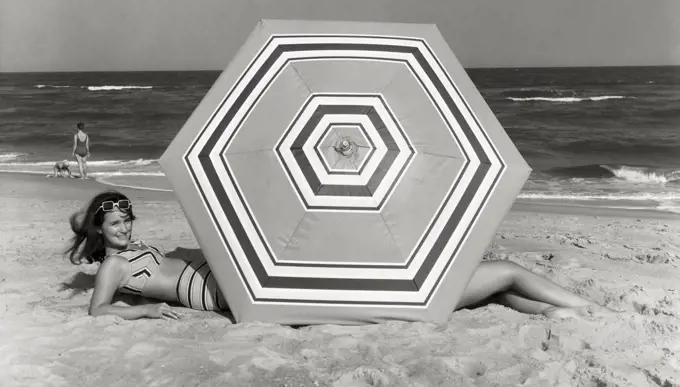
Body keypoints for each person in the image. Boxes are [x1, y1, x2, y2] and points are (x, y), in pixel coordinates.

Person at [66, 190, 614, 322]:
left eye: (126, 219)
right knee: (507, 271)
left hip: (244, 281)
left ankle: (554, 312)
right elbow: (96, 315)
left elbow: (162, 264)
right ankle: (588, 310)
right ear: (99, 229)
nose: (124, 228)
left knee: (495, 286)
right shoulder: (113, 266)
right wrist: (144, 311)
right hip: (239, 295)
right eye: (113, 223)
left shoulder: (134, 250)